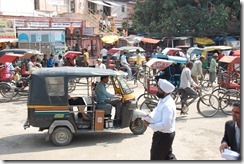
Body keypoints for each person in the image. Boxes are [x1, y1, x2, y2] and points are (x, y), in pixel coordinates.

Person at [143, 79, 177, 160]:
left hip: (164, 135)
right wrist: (148, 117)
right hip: (160, 134)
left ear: (164, 91)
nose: (157, 91)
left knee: (156, 157)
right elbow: (156, 111)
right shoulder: (162, 100)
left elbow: (166, 125)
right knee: (167, 156)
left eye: (159, 89)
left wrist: (150, 125)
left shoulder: (168, 106)